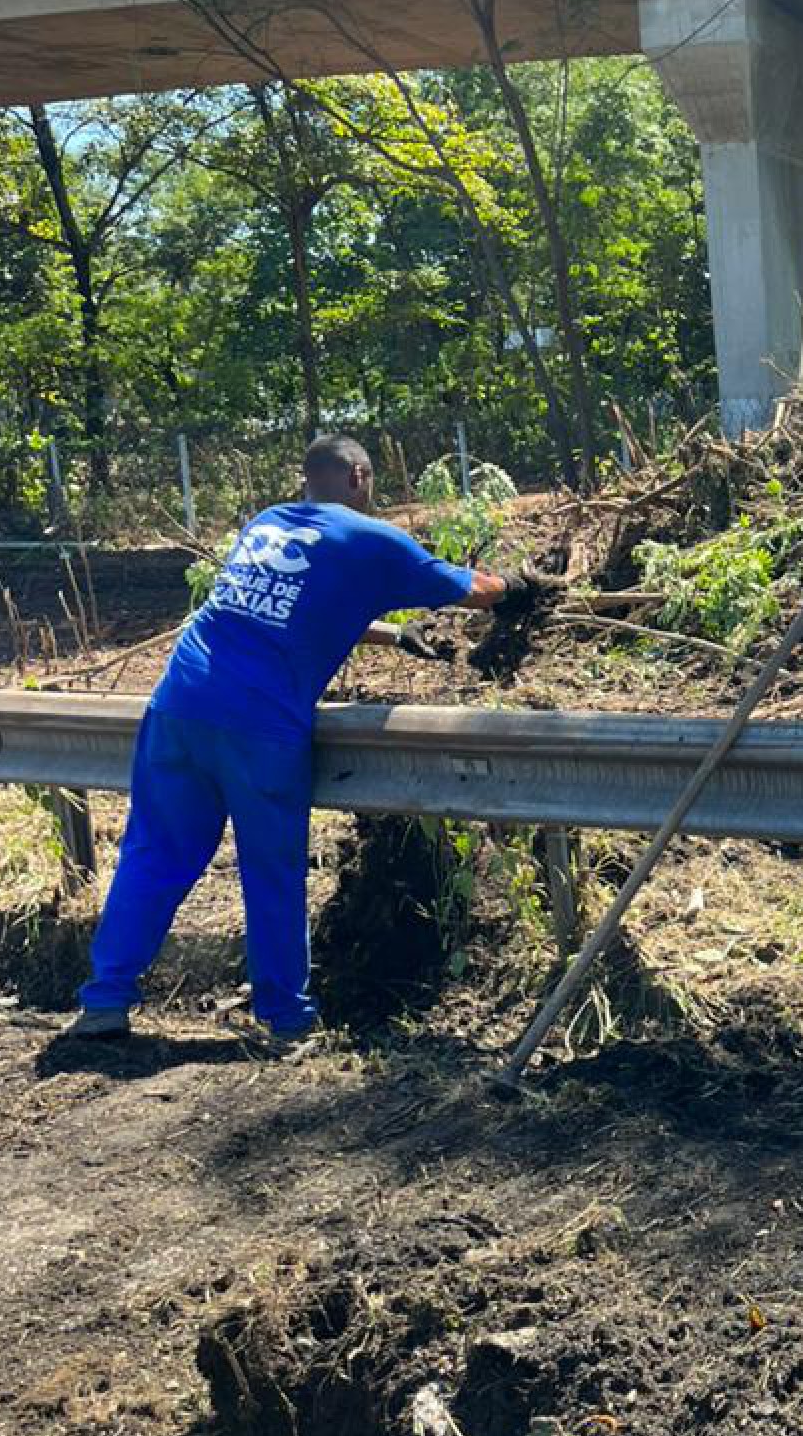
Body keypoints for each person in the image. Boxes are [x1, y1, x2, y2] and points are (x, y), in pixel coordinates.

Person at [68, 434, 542, 1053]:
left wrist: (395, 636)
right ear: (359, 476)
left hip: (179, 704)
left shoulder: (267, 523)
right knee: (272, 869)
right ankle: (286, 1019)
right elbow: (474, 589)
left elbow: (287, 606)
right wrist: (524, 586)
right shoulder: (369, 537)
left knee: (153, 855)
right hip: (259, 723)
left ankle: (104, 1002)